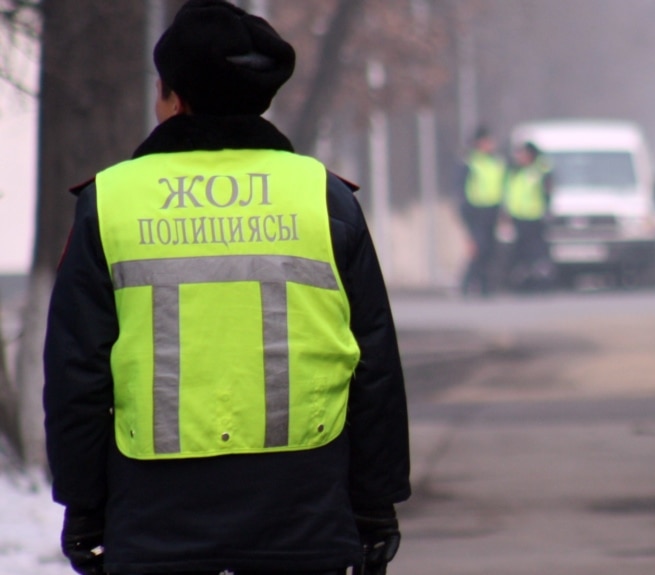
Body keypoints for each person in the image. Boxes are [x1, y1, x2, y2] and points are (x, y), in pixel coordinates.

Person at [42, 2, 410, 574]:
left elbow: (76, 373)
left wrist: (84, 506)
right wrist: (375, 505)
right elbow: (374, 365)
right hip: (304, 518)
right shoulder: (324, 199)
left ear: (172, 97)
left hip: (155, 519)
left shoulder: (110, 203)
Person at [457, 126, 505, 297]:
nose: (491, 144)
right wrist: (465, 216)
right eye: (487, 141)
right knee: (479, 249)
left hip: (493, 211)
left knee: (490, 250)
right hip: (476, 212)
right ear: (479, 143)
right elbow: (461, 191)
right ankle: (466, 283)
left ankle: (485, 285)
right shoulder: (470, 163)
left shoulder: (497, 163)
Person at [503, 142, 554, 291]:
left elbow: (548, 186)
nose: (520, 158)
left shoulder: (538, 170)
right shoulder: (514, 172)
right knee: (520, 253)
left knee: (537, 252)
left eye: (524, 154)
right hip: (518, 218)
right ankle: (521, 282)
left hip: (535, 218)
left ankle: (541, 282)